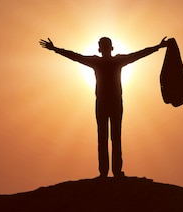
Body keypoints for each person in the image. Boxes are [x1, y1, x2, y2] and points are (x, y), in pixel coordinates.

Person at [39, 36, 168, 178]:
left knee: (105, 137)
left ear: (101, 48)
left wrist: (55, 49)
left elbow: (75, 57)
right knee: (113, 137)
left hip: (105, 103)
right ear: (109, 48)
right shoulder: (114, 61)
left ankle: (106, 173)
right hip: (111, 103)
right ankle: (112, 172)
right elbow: (137, 55)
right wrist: (157, 47)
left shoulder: (101, 61)